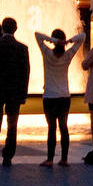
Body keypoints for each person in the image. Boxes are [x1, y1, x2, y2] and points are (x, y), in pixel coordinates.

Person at [0, 17, 30, 165]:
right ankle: (8, 156)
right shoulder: (22, 48)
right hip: (14, 92)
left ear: (2, 29)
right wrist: (23, 93)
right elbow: (25, 73)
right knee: (12, 124)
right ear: (16, 29)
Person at [35, 27, 85, 166]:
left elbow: (37, 35)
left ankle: (50, 159)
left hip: (49, 97)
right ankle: (64, 159)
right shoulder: (68, 55)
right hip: (64, 96)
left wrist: (54, 41)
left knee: (51, 127)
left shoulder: (46, 53)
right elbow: (83, 36)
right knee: (64, 127)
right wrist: (68, 41)